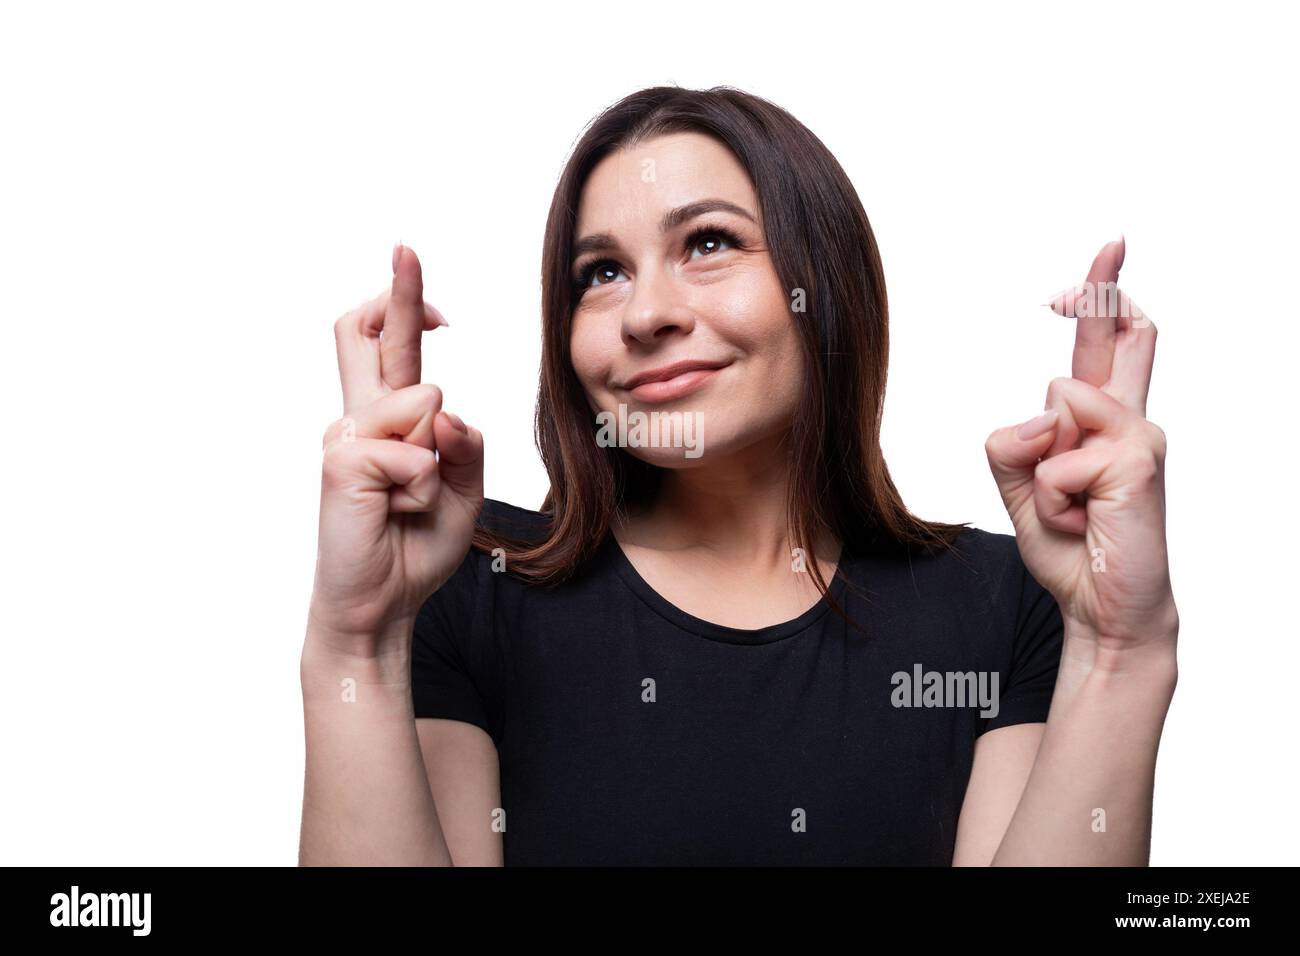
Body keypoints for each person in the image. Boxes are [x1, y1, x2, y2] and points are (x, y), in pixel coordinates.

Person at [298, 86, 1178, 866]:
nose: (644, 314)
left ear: (823, 282)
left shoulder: (1001, 604)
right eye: (600, 273)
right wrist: (358, 645)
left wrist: (1120, 652)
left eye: (709, 242)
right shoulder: (472, 581)